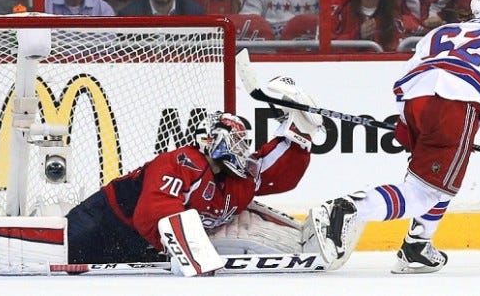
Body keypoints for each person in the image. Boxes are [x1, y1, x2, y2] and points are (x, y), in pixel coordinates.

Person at [309, 0, 480, 274]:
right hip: (456, 103)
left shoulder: (440, 32)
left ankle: (417, 245)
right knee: (424, 193)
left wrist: (405, 120)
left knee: (440, 178)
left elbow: (406, 78)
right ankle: (346, 209)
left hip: (416, 99)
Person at [66, 84, 323, 266]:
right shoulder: (183, 162)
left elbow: (277, 172)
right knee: (53, 261)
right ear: (213, 139)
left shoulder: (237, 181)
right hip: (100, 222)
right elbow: (151, 212)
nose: (242, 149)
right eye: (236, 141)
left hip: (139, 242)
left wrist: (300, 129)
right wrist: (185, 250)